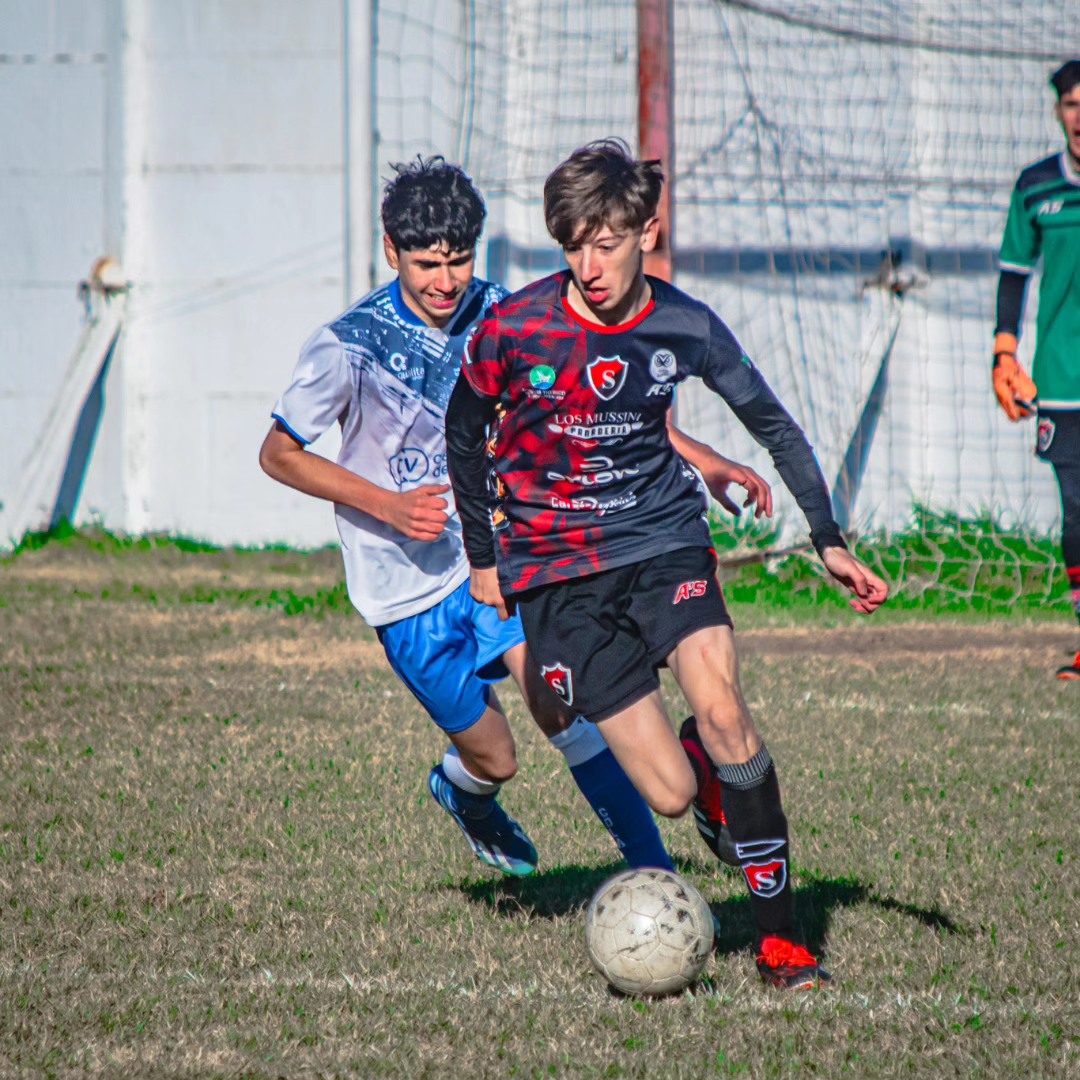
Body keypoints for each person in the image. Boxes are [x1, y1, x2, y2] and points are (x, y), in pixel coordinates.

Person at [445, 139, 889, 989]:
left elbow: (773, 423)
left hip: (662, 542)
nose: (588, 264)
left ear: (646, 233)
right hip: (557, 576)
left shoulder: (683, 323)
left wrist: (827, 534)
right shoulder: (515, 327)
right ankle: (711, 783)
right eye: (571, 245)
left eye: (604, 243)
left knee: (724, 712)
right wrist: (482, 555)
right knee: (675, 794)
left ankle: (784, 947)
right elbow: (462, 435)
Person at [259, 155, 768, 879]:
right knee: (495, 757)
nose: (444, 281)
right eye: (426, 263)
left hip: (497, 561)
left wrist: (701, 456)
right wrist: (390, 506)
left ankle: (654, 877)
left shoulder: (507, 316)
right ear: (389, 250)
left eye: (458, 261)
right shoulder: (351, 346)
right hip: (401, 589)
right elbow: (278, 454)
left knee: (561, 709)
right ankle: (465, 793)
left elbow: (599, 409)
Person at [994, 60, 1080, 680]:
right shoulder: (1035, 188)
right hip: (1063, 382)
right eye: (1072, 103)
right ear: (1058, 112)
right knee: (1076, 513)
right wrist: (1004, 352)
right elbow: (1014, 277)